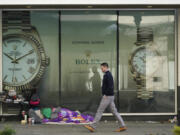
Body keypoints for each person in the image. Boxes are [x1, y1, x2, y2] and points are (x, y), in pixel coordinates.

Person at [84, 62, 127, 132]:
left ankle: (92, 126)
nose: (101, 69)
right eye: (101, 68)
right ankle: (122, 126)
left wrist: (105, 95)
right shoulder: (107, 75)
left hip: (108, 96)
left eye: (102, 68)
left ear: (106, 67)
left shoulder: (107, 75)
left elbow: (110, 87)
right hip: (110, 96)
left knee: (99, 111)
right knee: (114, 112)